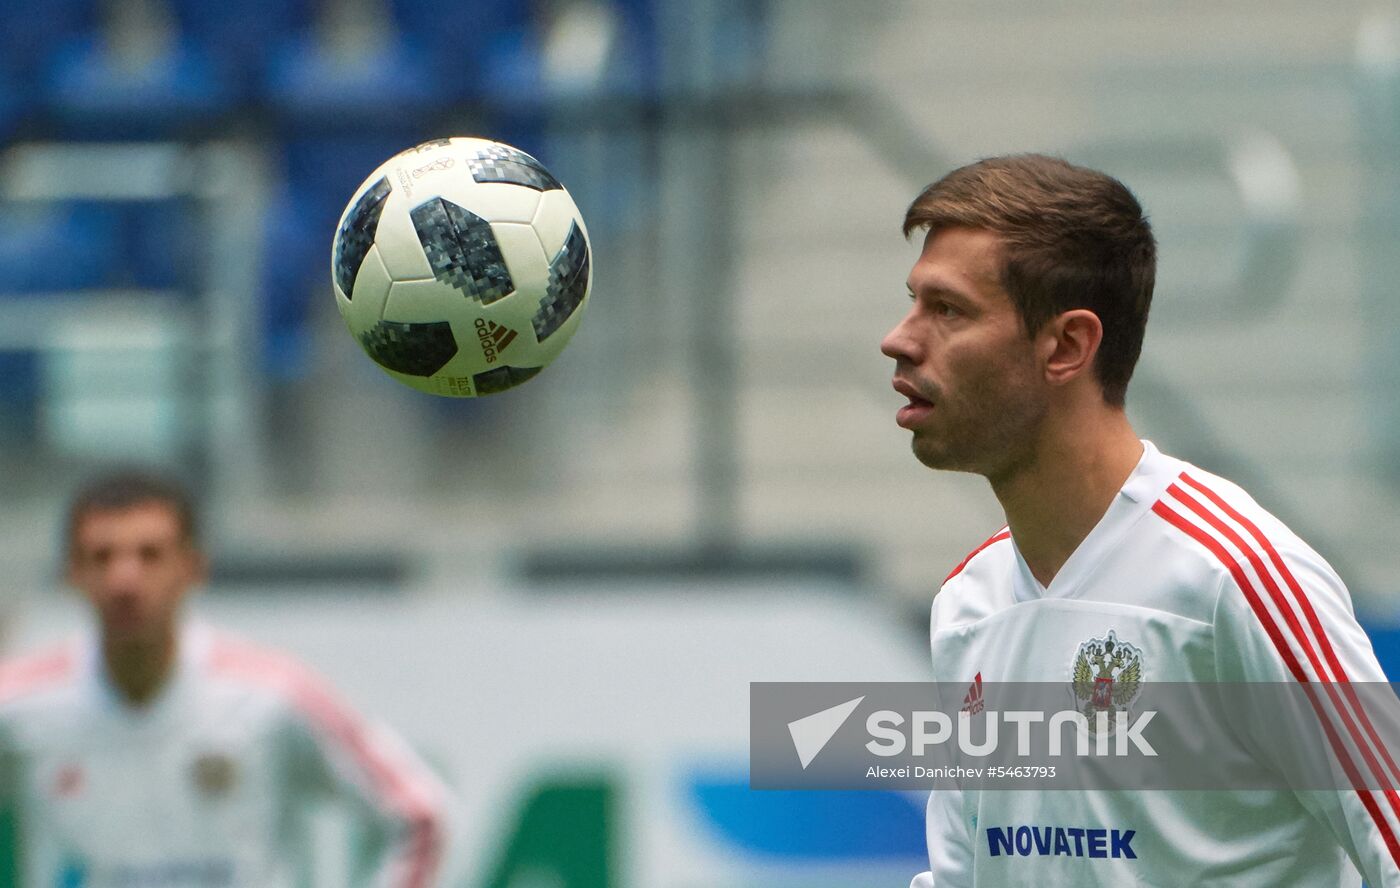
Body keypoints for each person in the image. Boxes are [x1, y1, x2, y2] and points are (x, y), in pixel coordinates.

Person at [880, 154, 1398, 886]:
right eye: (913, 303)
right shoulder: (969, 602)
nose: (899, 339)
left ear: (1067, 346)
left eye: (948, 310)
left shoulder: (1235, 576)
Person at [0, 470, 447, 887]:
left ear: (193, 568)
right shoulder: (18, 703)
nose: (125, 579)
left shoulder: (272, 694)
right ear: (71, 573)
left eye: (150, 555)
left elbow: (421, 814)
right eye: (102, 556)